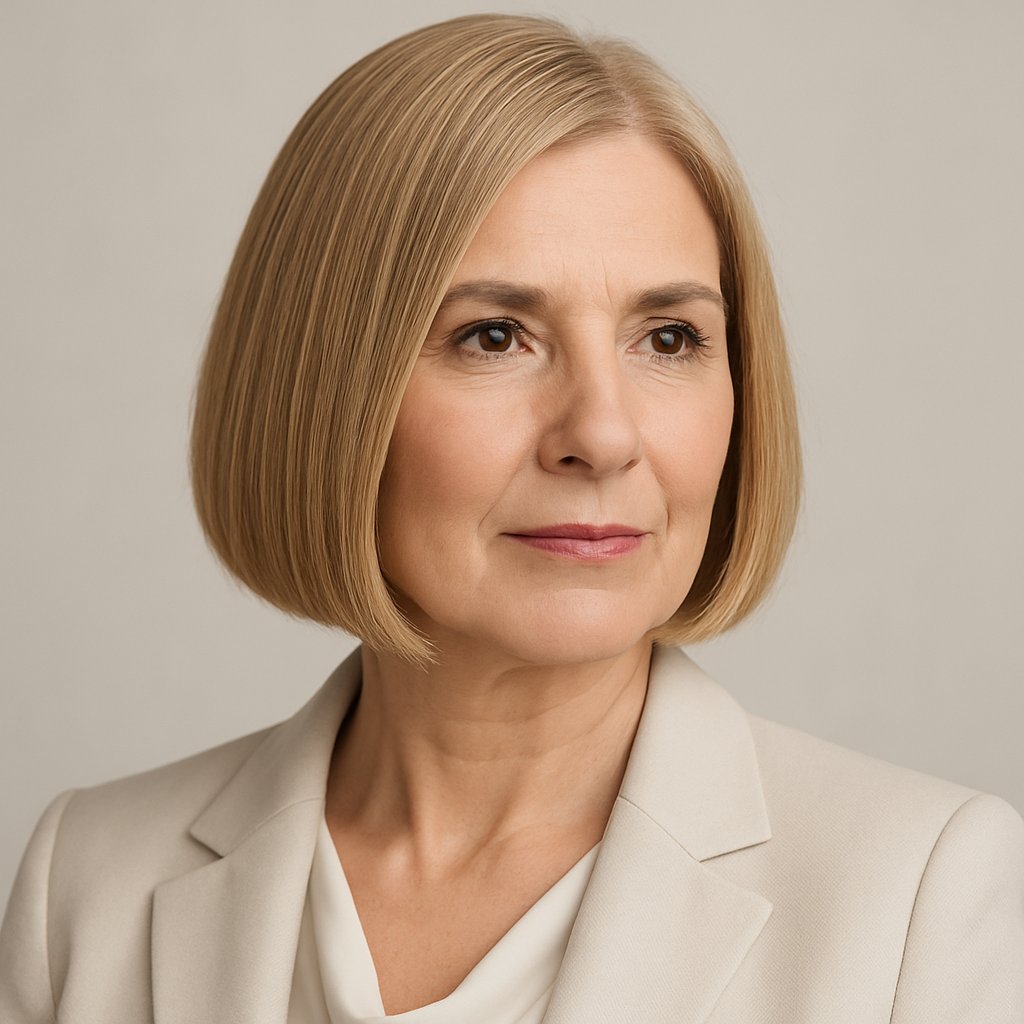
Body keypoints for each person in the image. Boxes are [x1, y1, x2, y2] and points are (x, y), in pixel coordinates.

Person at [1, 12, 1021, 1023]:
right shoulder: (86, 882)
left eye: (669, 338)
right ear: (320, 391)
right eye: (494, 335)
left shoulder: (916, 899)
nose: (603, 435)